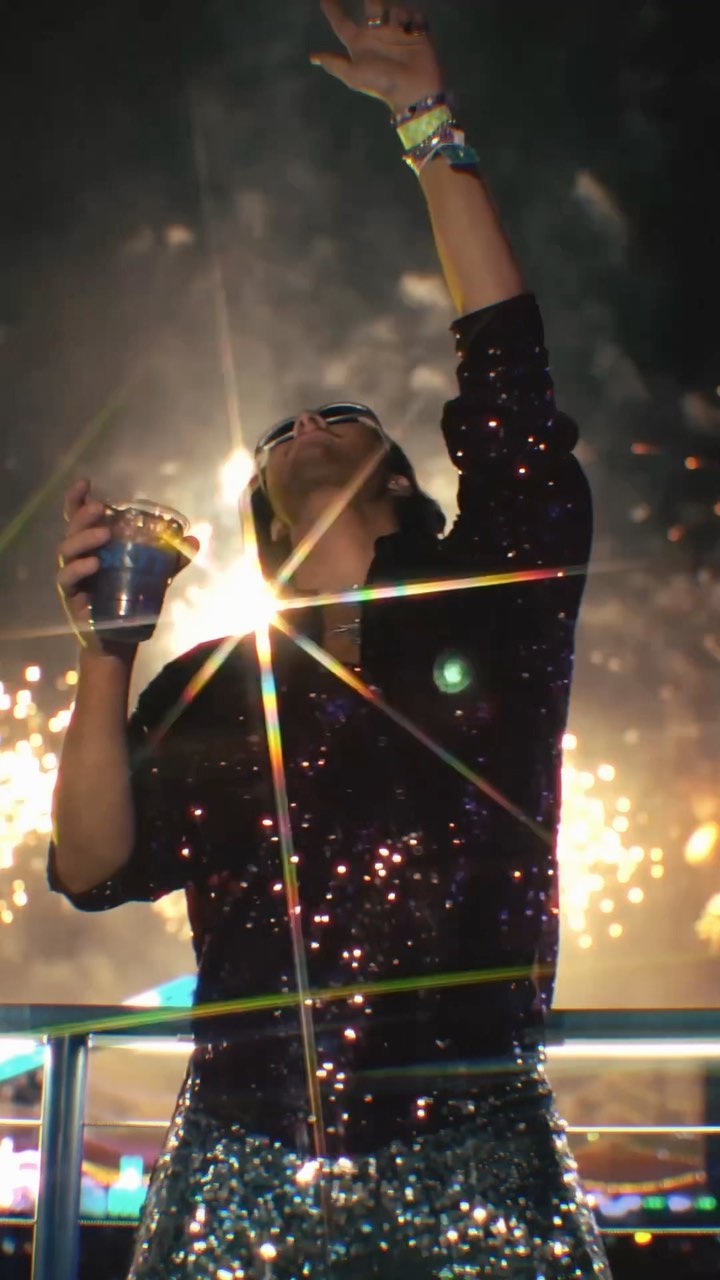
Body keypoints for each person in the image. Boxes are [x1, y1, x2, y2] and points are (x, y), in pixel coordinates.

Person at [49, 2, 612, 1276]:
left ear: (402, 479)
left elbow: (510, 383)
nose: (302, 423)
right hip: (238, 1169)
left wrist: (426, 122)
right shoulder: (216, 683)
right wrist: (108, 648)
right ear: (258, 519)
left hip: (481, 1158)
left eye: (341, 417)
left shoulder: (497, 601)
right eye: (280, 433)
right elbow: (91, 860)